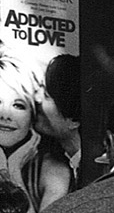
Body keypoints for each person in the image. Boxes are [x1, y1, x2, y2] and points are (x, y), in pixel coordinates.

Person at [0, 55, 73, 213]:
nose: (5, 115)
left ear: (32, 115)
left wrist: (8, 168)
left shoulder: (54, 171)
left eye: (18, 105)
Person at [35, 53, 83, 184]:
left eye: (46, 95)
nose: (36, 99)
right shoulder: (74, 163)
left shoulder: (95, 173)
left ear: (73, 121)